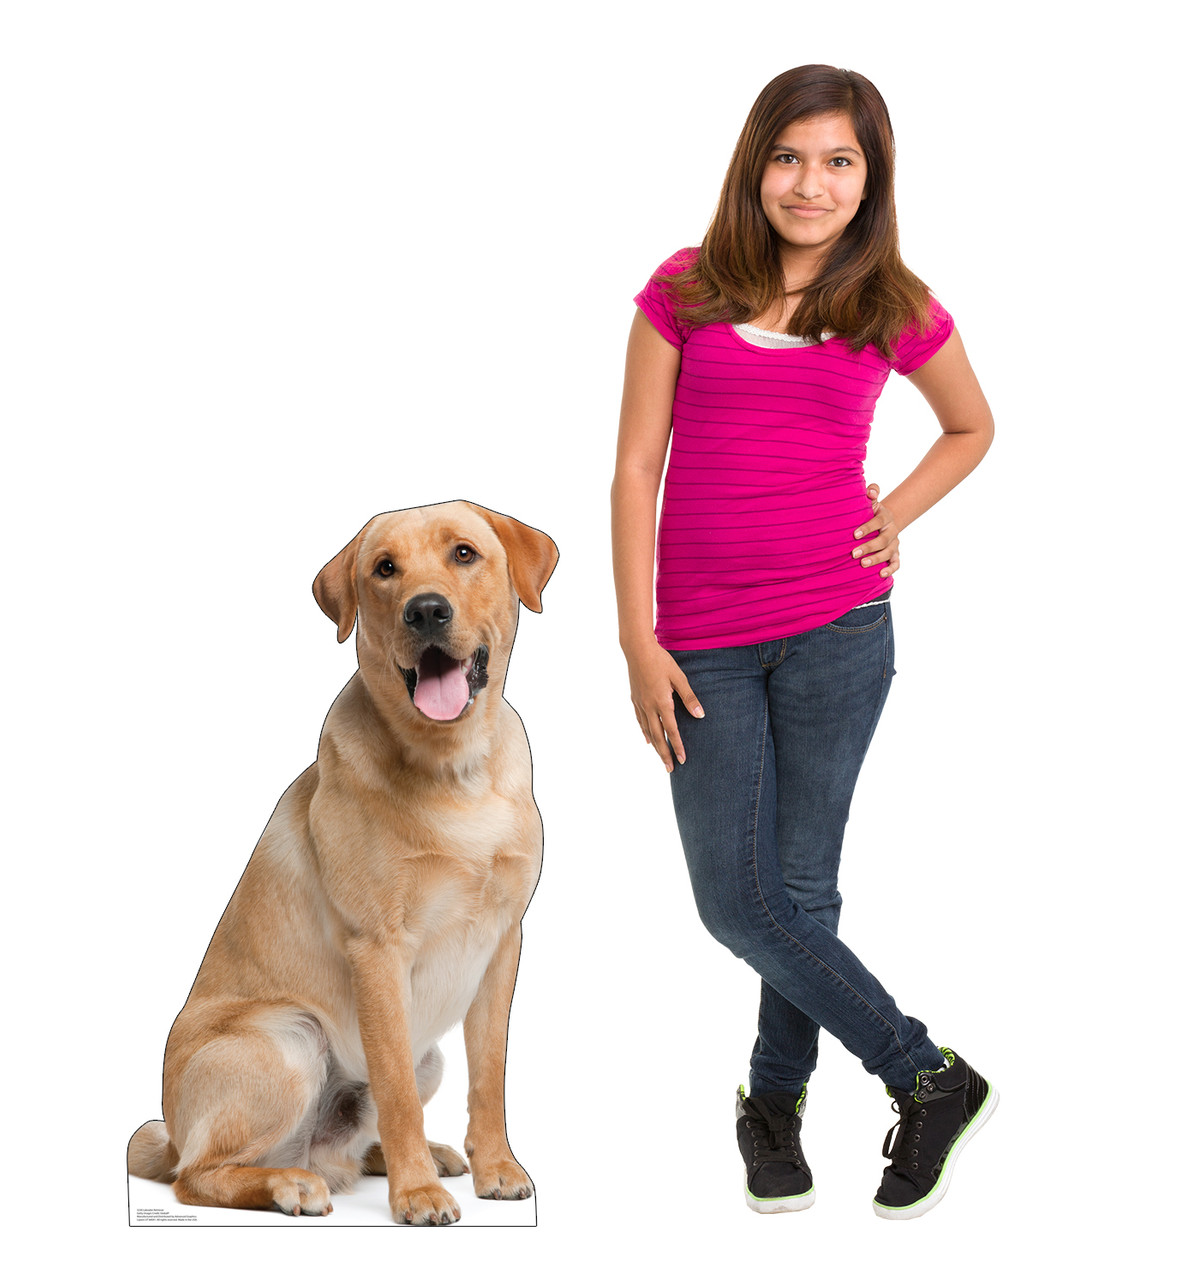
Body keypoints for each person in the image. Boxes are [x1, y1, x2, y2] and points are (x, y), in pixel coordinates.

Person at [610, 65, 996, 1220]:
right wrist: (636, 638)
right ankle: (925, 1071)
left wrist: (895, 511)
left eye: (837, 161)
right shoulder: (683, 287)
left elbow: (972, 425)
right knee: (739, 901)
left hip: (838, 630)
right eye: (788, 156)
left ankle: (770, 1104)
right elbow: (636, 466)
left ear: (867, 177)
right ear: (753, 162)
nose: (808, 182)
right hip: (703, 648)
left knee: (794, 893)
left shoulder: (891, 301)